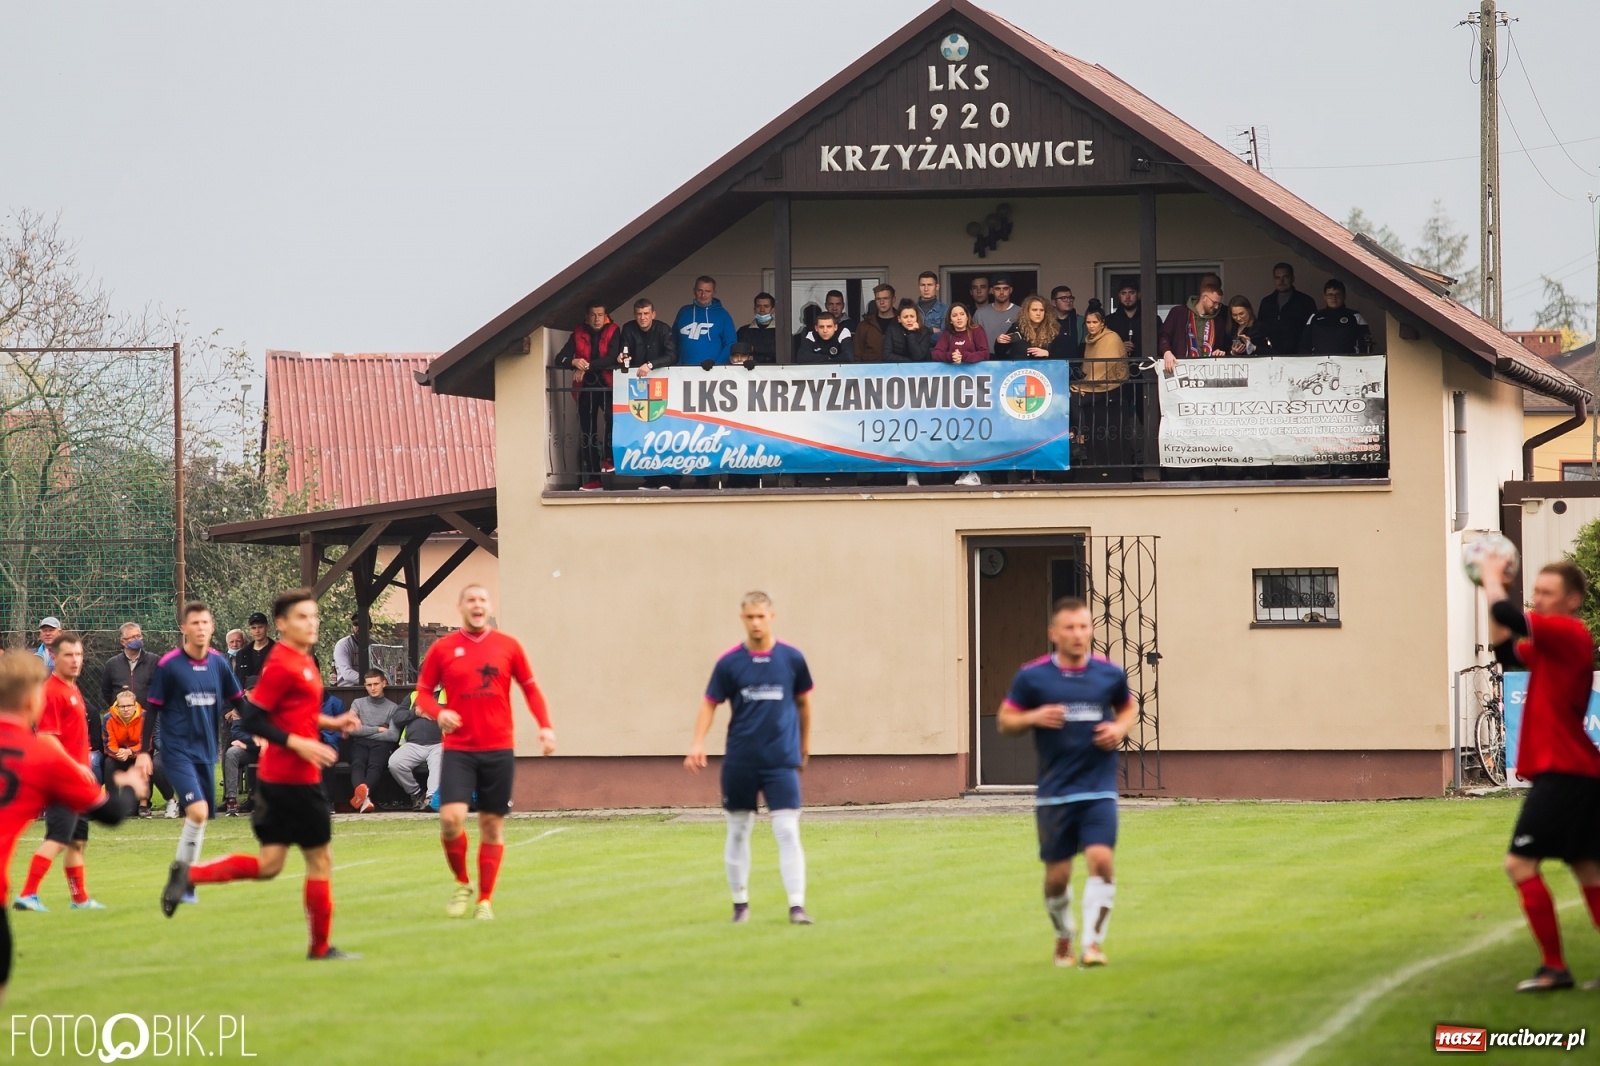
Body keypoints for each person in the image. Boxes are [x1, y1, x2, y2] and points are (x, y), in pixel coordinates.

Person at [166, 589, 362, 961]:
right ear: (283, 624)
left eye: (314, 616)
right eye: (303, 617)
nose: (312, 622)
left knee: (271, 865)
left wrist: (330, 720)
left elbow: (295, 712)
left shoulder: (304, 661)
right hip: (293, 780)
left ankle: (189, 875)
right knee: (320, 859)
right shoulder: (282, 663)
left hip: (285, 779)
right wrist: (298, 744)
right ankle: (320, 949)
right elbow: (254, 716)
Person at [1481, 555, 1600, 992]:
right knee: (1589, 869)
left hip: (1563, 773)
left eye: (1548, 593)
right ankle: (1555, 967)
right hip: (1577, 773)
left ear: (1574, 599)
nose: (1539, 599)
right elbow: (1506, 648)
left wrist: (1493, 579)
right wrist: (1486, 588)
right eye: (1537, 592)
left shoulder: (1570, 631)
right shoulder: (1552, 646)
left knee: (1519, 863)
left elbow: (1507, 614)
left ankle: (1555, 968)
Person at [997, 597, 1136, 968]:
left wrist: (1119, 728)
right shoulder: (1032, 677)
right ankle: (1064, 935)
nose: (1079, 634)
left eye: (1084, 626)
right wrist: (1034, 717)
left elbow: (1127, 707)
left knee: (1102, 861)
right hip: (1055, 794)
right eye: (1070, 627)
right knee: (1057, 880)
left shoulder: (1109, 673)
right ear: (1053, 633)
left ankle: (1092, 944)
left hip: (1098, 788)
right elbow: (1005, 722)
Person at [0, 654, 143, 1003]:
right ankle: (34, 894)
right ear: (34, 699)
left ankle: (68, 897)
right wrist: (129, 787)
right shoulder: (41, 757)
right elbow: (110, 813)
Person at [416, 585, 557, 921]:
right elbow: (422, 694)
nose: (477, 605)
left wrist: (545, 726)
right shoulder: (443, 649)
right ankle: (462, 882)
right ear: (460, 607)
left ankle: (485, 900)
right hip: (459, 750)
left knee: (491, 825)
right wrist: (439, 712)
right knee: (450, 820)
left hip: (498, 749)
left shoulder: (508, 646)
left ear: (489, 607)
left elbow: (531, 688)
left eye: (482, 600)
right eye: (471, 600)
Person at [685, 591, 814, 925]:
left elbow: (804, 703)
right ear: (742, 619)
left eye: (761, 616)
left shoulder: (792, 659)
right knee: (739, 829)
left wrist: (803, 746)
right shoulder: (729, 662)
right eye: (750, 617)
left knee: (787, 829)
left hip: (780, 760)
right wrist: (697, 742)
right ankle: (740, 905)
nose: (756, 622)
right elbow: (709, 702)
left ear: (772, 617)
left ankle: (796, 906)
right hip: (741, 760)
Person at [137, 601, 242, 913]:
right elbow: (153, 708)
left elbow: (240, 702)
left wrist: (265, 730)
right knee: (197, 812)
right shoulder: (169, 666)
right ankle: (185, 878)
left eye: (205, 622)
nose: (200, 628)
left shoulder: (220, 664)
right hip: (176, 751)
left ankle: (184, 880)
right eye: (194, 622)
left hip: (206, 752)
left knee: (200, 817)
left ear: (212, 627)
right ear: (184, 628)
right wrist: (144, 751)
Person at [13, 633, 108, 911]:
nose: (75, 660)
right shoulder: (52, 691)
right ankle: (28, 894)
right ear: (53, 657)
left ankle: (79, 899)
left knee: (77, 842)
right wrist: (75, 766)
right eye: (69, 655)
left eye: (79, 655)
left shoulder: (72, 689)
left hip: (77, 783)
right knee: (57, 838)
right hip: (61, 780)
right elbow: (47, 737)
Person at [554, 301, 622, 491]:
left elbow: (611, 358)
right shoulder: (577, 333)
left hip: (609, 386)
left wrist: (586, 366)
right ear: (587, 317)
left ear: (606, 316)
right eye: (593, 315)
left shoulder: (614, 330)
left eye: (600, 315)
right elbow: (560, 358)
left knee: (612, 421)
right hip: (585, 389)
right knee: (588, 432)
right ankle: (593, 479)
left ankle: (609, 458)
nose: (597, 319)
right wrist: (574, 361)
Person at [1074, 310, 1134, 471]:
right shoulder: (1090, 340)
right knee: (1071, 399)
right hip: (1093, 386)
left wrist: (1083, 385)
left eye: (1095, 322)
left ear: (1102, 323)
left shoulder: (1111, 338)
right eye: (1088, 323)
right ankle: (1080, 440)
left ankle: (1080, 439)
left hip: (1111, 388)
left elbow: (1104, 368)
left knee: (1075, 399)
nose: (1091, 326)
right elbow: (1089, 367)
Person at [347, 669, 402, 814]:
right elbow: (351, 729)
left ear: (384, 683)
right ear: (365, 686)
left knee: (375, 765)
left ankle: (362, 798)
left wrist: (364, 730)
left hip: (382, 745)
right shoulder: (357, 703)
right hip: (359, 743)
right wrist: (378, 729)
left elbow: (393, 736)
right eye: (369, 685)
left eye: (376, 684)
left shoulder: (393, 708)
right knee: (357, 763)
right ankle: (365, 800)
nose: (373, 688)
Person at [388, 692, 444, 811]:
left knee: (438, 761)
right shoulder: (413, 696)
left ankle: (431, 799)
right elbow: (397, 717)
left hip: (440, 744)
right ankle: (416, 794)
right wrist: (416, 712)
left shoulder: (449, 693)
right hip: (413, 745)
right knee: (395, 762)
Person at [1159, 283, 1231, 373]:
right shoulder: (1179, 312)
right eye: (1214, 302)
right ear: (1204, 297)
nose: (1216, 307)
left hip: (1208, 371)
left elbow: (1220, 346)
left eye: (1218, 304)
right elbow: (1164, 335)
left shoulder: (1218, 321)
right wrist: (1167, 352)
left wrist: (1218, 352)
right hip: (1180, 369)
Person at [673, 276, 738, 367]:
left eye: (708, 291)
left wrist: (717, 365)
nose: (703, 295)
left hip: (711, 373)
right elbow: (673, 340)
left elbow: (731, 343)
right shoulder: (684, 311)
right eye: (700, 290)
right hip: (683, 371)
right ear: (694, 290)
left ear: (714, 293)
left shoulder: (723, 315)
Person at [1256, 263, 1316, 355]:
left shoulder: (1305, 301)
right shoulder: (1266, 302)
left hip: (1298, 356)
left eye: (1285, 277)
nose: (1281, 281)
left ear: (1292, 279)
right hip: (1270, 356)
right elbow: (1261, 329)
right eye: (1277, 278)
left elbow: (1312, 332)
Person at [1299, 279, 1373, 354]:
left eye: (1338, 295)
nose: (1334, 298)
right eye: (1330, 295)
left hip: (1349, 364)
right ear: (1324, 297)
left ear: (1344, 296)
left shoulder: (1356, 317)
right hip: (1320, 364)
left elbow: (1366, 346)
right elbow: (1305, 346)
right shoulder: (1315, 317)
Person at [101, 621, 158, 707]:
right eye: (132, 637)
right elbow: (106, 691)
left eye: (138, 636)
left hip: (148, 715)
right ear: (123, 641)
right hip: (121, 716)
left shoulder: (154, 661)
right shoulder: (112, 664)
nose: (137, 639)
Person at [618, 298, 678, 377]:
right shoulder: (628, 328)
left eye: (646, 313)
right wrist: (621, 357)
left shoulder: (663, 329)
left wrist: (650, 364)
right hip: (633, 376)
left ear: (653, 315)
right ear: (634, 315)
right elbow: (624, 350)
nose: (642, 317)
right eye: (639, 314)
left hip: (659, 375)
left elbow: (672, 356)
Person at [221, 717, 263, 818]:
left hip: (268, 748)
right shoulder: (242, 705)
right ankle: (231, 800)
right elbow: (236, 732)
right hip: (249, 747)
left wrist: (248, 745)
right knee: (232, 753)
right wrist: (253, 739)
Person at [1012, 295, 1073, 360]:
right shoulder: (1017, 328)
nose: (1038, 313)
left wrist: (1047, 353)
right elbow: (1003, 351)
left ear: (1046, 312)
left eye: (1041, 310)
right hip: (1022, 368)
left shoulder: (1054, 329)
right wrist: (1001, 342)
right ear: (1027, 311)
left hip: (1046, 368)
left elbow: (1065, 354)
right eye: (1034, 310)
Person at [975, 275, 1020, 356]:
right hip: (987, 361)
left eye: (1005, 288)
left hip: (1014, 361)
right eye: (997, 289)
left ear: (1011, 290)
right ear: (991, 290)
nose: (1002, 292)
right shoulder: (980, 314)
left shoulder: (1021, 313)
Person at [853, 284, 899, 361]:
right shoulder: (864, 325)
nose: (881, 302)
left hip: (897, 370)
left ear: (893, 300)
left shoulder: (902, 323)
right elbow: (857, 354)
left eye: (885, 298)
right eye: (878, 299)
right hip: (870, 371)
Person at [734, 293, 779, 364]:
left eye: (766, 306)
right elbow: (737, 354)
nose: (762, 310)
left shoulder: (781, 332)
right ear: (754, 309)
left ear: (773, 310)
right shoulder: (743, 331)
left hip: (775, 372)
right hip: (748, 372)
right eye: (758, 306)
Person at [234, 612, 275, 690]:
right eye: (253, 628)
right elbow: (237, 680)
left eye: (260, 627)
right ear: (249, 630)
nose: (257, 631)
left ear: (267, 627)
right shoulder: (242, 654)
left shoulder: (277, 651)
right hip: (247, 699)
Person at [332, 613, 370, 687]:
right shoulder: (343, 644)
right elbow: (347, 673)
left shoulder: (373, 644)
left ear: (370, 626)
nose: (358, 627)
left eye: (362, 624)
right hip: (346, 691)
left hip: (369, 689)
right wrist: (371, 680)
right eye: (356, 624)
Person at [1050, 286, 1086, 360]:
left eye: (1070, 298)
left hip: (1075, 368)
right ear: (1054, 302)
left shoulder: (1081, 322)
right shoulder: (1046, 322)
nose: (1069, 301)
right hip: (1051, 368)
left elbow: (1085, 348)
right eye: (1064, 298)